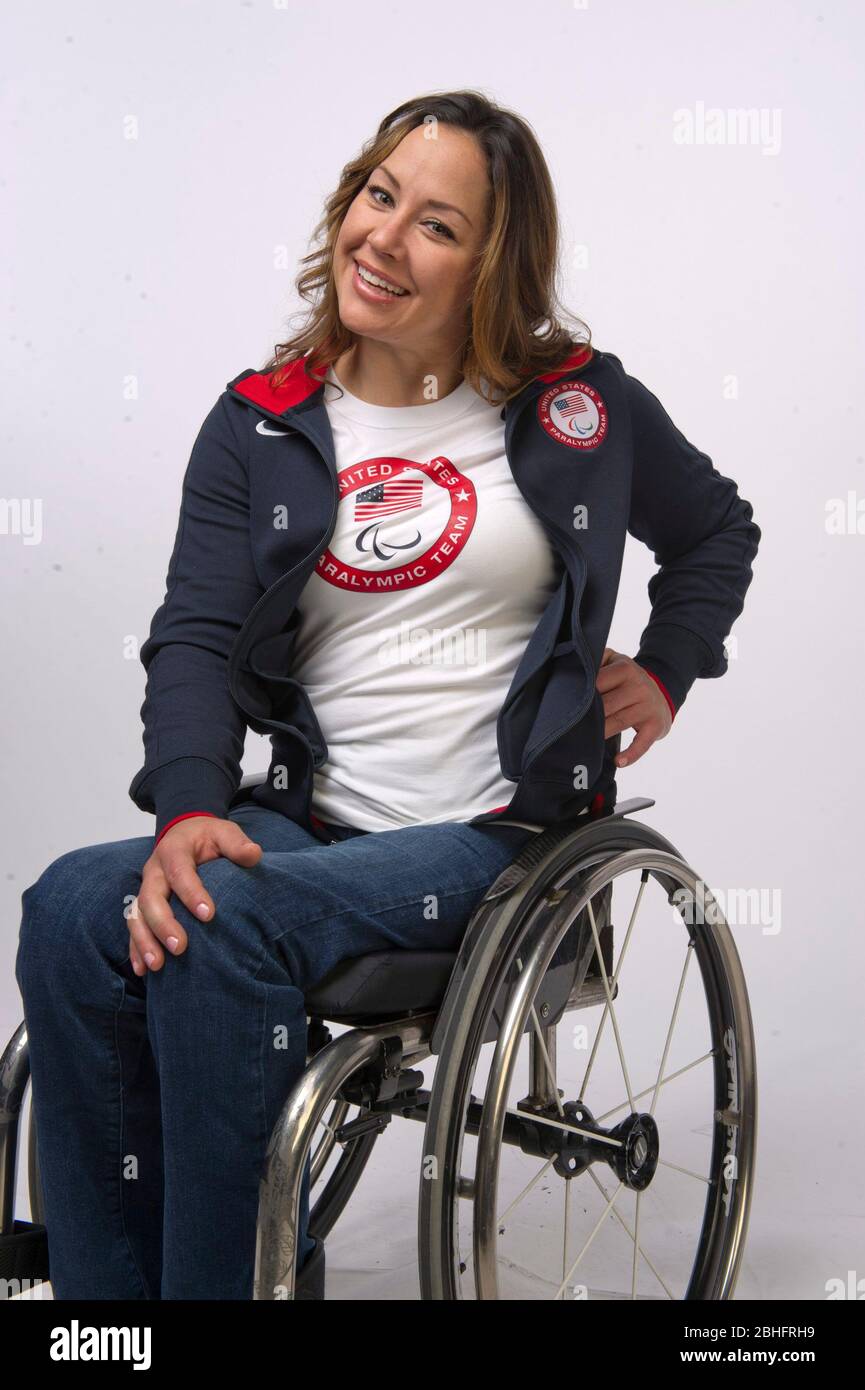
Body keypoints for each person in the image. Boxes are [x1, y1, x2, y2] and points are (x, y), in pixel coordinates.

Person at [14, 90, 760, 1301]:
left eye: (438, 224)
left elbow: (716, 529)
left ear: (490, 266)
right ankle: (110, 1321)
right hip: (305, 822)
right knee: (70, 903)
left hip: (494, 843)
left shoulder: (578, 405)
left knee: (221, 922)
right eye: (379, 197)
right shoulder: (262, 422)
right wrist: (192, 806)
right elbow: (195, 635)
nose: (386, 238)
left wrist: (668, 665)